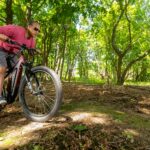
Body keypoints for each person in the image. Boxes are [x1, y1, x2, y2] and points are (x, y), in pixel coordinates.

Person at [0, 20, 40, 106]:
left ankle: (9, 94)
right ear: (29, 26)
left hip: (13, 54)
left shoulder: (32, 40)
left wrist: (34, 51)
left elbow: (30, 51)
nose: (37, 32)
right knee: (2, 69)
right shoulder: (15, 29)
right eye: (35, 29)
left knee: (18, 69)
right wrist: (4, 38)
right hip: (1, 49)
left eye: (39, 31)